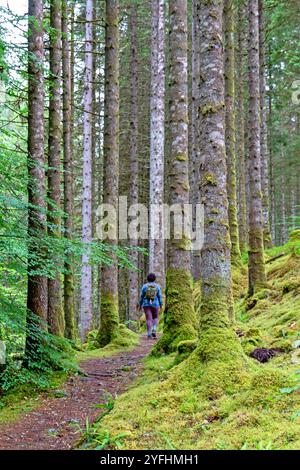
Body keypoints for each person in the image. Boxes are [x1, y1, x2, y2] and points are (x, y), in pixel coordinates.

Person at [139, 273, 163, 339]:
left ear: (147, 279)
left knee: (148, 319)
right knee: (155, 317)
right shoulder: (157, 286)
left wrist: (140, 304)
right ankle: (154, 329)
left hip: (146, 304)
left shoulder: (144, 286)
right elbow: (159, 296)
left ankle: (149, 334)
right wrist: (161, 305)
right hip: (155, 304)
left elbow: (141, 296)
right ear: (154, 279)